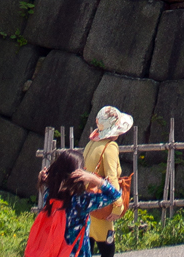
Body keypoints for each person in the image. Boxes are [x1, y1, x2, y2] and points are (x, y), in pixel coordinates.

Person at [40, 151, 121, 257]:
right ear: (79, 174)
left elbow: (47, 186)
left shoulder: (50, 195)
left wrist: (43, 179)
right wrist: (94, 179)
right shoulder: (82, 201)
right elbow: (114, 195)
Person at [82, 106, 132, 257]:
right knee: (107, 250)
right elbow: (112, 179)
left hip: (87, 205)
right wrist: (117, 206)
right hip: (101, 206)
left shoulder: (91, 144)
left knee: (87, 248)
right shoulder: (110, 147)